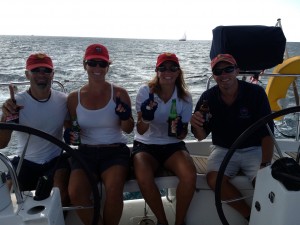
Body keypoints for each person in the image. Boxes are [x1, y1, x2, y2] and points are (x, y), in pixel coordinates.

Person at [190, 54, 274, 221]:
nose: (223, 75)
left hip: (254, 148)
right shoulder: (207, 98)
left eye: (228, 69)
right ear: (213, 75)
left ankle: (268, 219)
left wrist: (265, 164)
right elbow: (201, 136)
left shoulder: (256, 93)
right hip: (223, 149)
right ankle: (250, 216)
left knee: (265, 182)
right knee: (213, 179)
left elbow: (268, 134)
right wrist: (196, 124)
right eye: (218, 71)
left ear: (237, 70)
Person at [67, 43, 134, 225]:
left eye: (102, 64)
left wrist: (125, 116)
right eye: (92, 63)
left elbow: (128, 129)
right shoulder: (74, 98)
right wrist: (71, 134)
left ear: (107, 67)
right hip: (85, 152)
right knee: (75, 193)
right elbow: (71, 128)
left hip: (115, 151)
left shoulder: (119, 93)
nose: (97, 68)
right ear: (85, 65)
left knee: (114, 188)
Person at [132, 52, 196, 225]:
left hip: (172, 145)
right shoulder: (145, 92)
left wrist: (180, 128)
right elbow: (140, 130)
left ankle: (179, 222)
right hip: (146, 145)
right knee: (144, 177)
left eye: (172, 67)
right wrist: (146, 117)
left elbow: (182, 135)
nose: (168, 71)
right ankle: (162, 221)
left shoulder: (185, 97)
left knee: (190, 175)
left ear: (178, 71)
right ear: (157, 71)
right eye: (163, 68)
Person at [0, 53, 70, 206]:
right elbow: (2, 144)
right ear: (27, 74)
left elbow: (71, 132)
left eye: (46, 70)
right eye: (36, 70)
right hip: (26, 161)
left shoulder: (63, 100)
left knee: (60, 193)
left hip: (55, 160)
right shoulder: (15, 103)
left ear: (53, 74)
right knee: (11, 198)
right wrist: (5, 117)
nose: (41, 74)